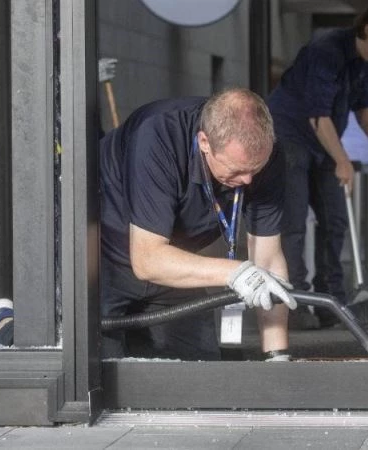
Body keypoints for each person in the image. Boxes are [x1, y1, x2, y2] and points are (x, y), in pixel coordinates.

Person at [99, 88, 297, 361]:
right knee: (101, 378)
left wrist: (277, 356)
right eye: (237, 170)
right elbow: (147, 259)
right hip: (102, 261)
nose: (249, 181)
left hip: (175, 264)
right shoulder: (157, 135)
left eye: (256, 169)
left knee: (201, 373)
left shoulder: (266, 156)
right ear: (204, 142)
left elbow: (269, 259)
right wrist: (237, 272)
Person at [266, 3, 368, 328]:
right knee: (295, 221)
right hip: (290, 138)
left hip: (323, 143)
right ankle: (296, 303)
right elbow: (318, 116)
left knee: (335, 221)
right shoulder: (325, 50)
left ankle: (331, 301)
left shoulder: (363, 61)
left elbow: (362, 102)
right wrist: (343, 160)